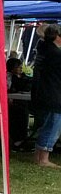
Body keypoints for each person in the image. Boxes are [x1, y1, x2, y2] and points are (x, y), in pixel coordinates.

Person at [31, 24, 61, 167]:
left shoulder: (43, 50)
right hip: (54, 94)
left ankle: (38, 156)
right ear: (57, 37)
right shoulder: (56, 54)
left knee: (46, 125)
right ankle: (44, 158)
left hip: (44, 92)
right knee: (52, 126)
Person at [7, 58, 32, 150]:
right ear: (12, 68)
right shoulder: (8, 78)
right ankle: (19, 140)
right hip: (11, 102)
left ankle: (23, 138)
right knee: (19, 112)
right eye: (18, 67)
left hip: (20, 100)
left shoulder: (23, 77)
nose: (21, 68)